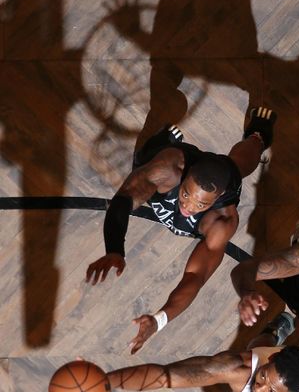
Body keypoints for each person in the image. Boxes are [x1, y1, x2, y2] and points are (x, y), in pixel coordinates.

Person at [85, 107, 277, 354]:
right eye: (186, 195)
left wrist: (159, 320)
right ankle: (161, 139)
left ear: (215, 201)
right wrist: (114, 248)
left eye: (200, 204)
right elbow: (122, 200)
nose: (187, 207)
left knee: (235, 167)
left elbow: (194, 278)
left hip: (221, 175)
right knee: (143, 161)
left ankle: (258, 137)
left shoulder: (222, 220)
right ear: (183, 181)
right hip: (171, 158)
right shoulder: (168, 170)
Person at [105, 313, 299, 391]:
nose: (259, 390)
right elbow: (165, 376)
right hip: (262, 354)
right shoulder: (239, 369)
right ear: (270, 361)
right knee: (253, 348)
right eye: (263, 379)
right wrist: (105, 383)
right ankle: (276, 331)